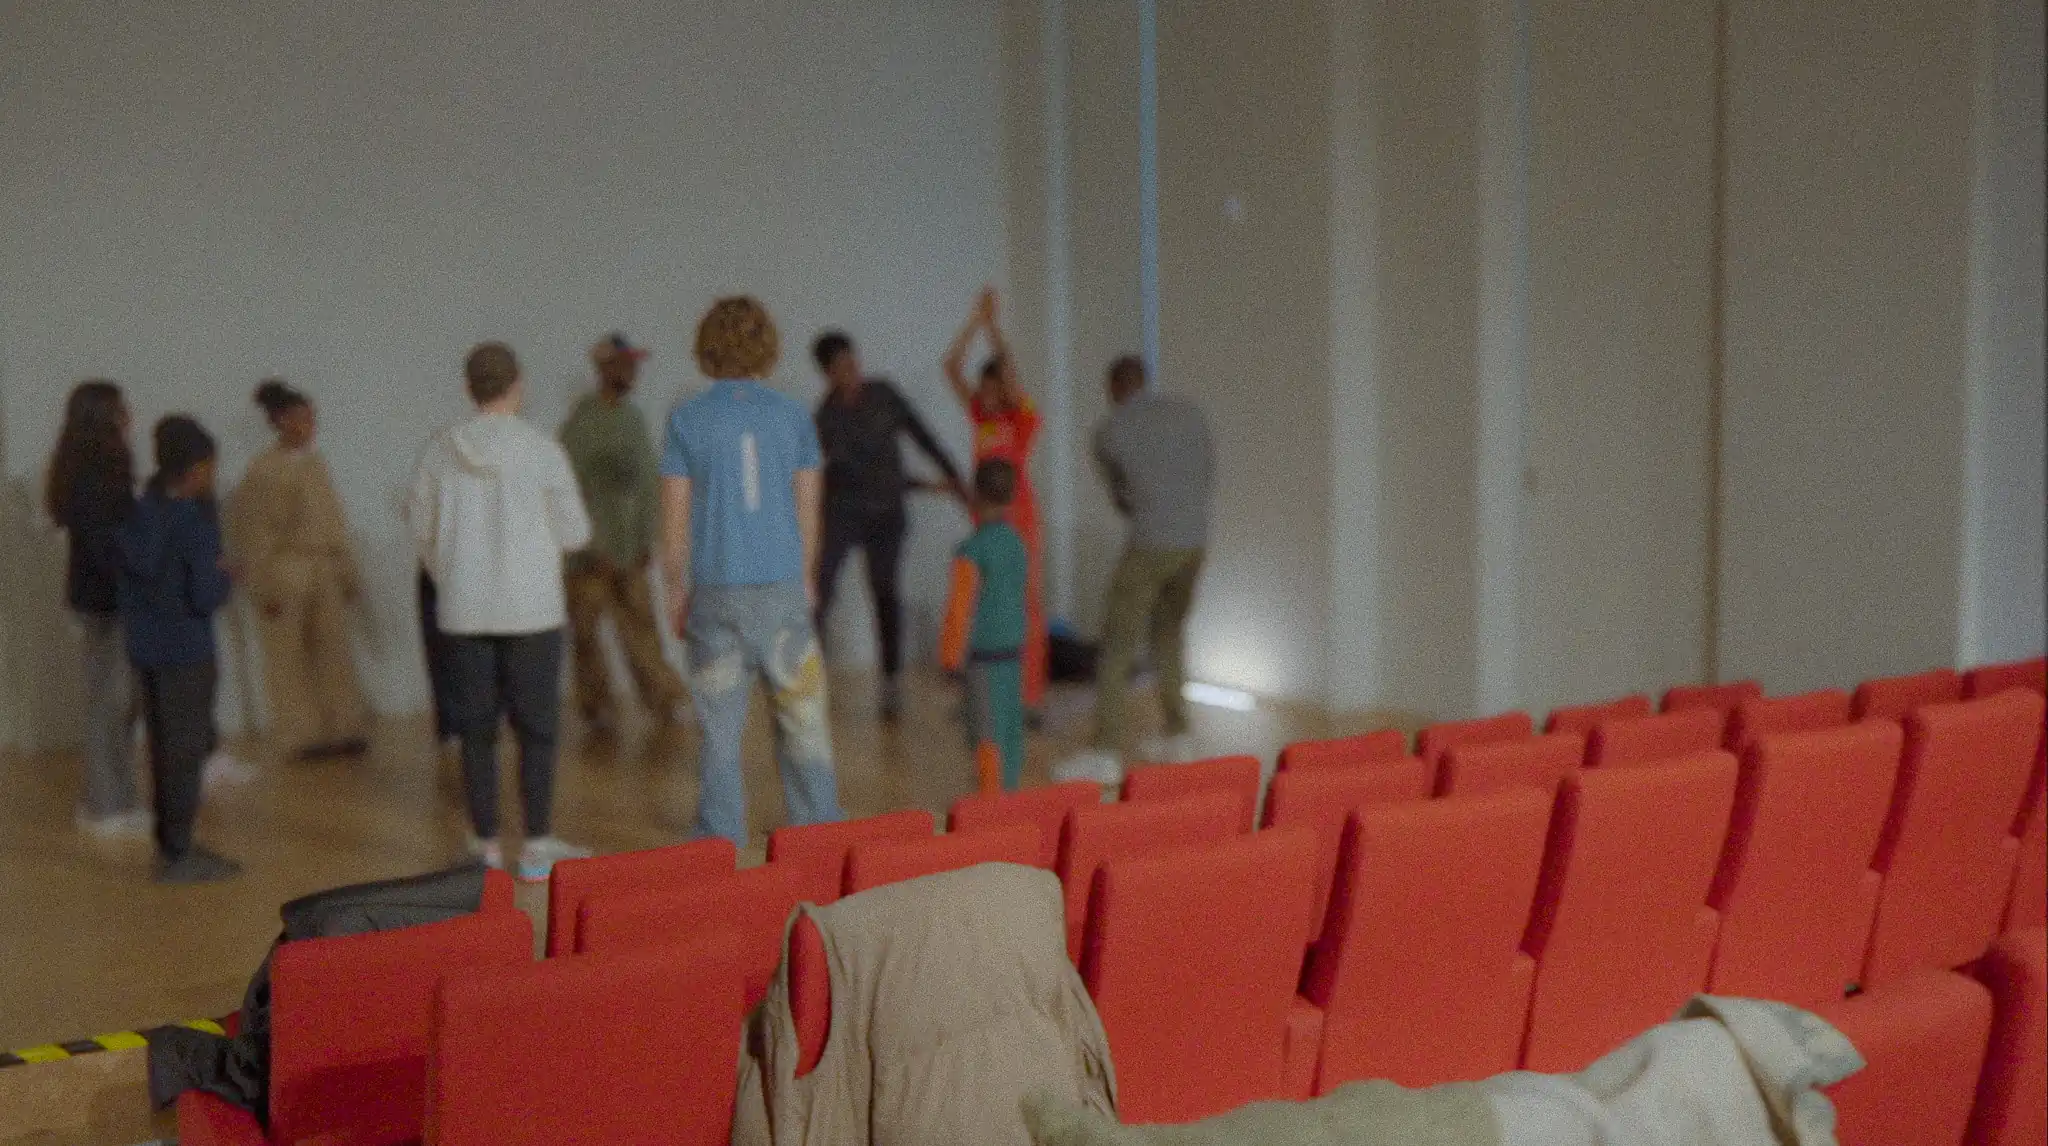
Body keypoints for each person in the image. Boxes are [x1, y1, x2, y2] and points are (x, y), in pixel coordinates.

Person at [661, 296, 843, 848]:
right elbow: (809, 506)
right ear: (767, 346)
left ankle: (720, 839)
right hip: (783, 588)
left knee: (719, 730)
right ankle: (818, 834)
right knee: (803, 724)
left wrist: (675, 591)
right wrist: (807, 575)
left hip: (716, 592)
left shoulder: (685, 420)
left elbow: (673, 522)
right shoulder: (793, 416)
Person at [410, 342, 594, 880]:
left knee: (476, 728)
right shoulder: (541, 449)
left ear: (469, 388)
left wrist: (456, 573)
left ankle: (485, 843)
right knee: (537, 727)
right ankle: (536, 843)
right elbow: (576, 531)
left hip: (465, 609)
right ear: (518, 385)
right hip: (533, 609)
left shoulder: (439, 450)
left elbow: (422, 533)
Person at [1054, 356, 1215, 785]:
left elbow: (1121, 497)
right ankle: (1178, 734)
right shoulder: (1189, 414)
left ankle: (1106, 750)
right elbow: (1205, 473)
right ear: (1145, 380)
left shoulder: (1109, 432)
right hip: (1194, 544)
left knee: (1117, 645)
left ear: (1112, 388)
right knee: (1169, 633)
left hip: (1149, 545)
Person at [811, 329, 969, 720]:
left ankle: (891, 679)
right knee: (820, 591)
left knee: (884, 591)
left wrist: (954, 480)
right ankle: (808, 678)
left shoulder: (883, 395)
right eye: (844, 366)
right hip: (843, 513)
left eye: (855, 361)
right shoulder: (824, 419)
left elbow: (923, 437)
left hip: (887, 514)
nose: (854, 371)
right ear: (829, 373)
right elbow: (822, 476)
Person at [117, 415, 241, 883]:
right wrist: (225, 574)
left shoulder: (140, 510)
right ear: (194, 469)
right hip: (187, 650)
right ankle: (181, 852)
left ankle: (169, 845)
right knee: (186, 752)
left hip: (146, 646)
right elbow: (205, 594)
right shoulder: (194, 523)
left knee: (161, 748)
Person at [230, 380, 370, 761]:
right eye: (300, 418)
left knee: (334, 649)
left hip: (323, 567)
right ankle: (300, 733)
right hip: (286, 571)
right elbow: (254, 533)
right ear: (279, 421)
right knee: (287, 656)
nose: (309, 425)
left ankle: (344, 725)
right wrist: (263, 586)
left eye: (311, 418)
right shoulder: (262, 471)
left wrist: (347, 572)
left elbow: (333, 520)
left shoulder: (314, 464)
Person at [559, 332, 689, 736]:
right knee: (587, 634)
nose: (632, 372)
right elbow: (568, 490)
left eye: (634, 364)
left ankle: (664, 699)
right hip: (588, 558)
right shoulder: (580, 425)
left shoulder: (633, 419)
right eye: (624, 364)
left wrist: (647, 539)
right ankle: (597, 707)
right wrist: (591, 544)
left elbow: (648, 483)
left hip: (629, 552)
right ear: (604, 369)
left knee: (642, 628)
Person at [47, 381, 147, 838]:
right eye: (121, 409)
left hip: (102, 597)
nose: (129, 416)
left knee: (117, 702)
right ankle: (104, 802)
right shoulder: (95, 474)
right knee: (109, 704)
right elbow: (104, 544)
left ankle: (116, 798)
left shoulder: (93, 470)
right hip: (107, 599)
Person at [944, 287, 1048, 714]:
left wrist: (994, 328)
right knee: (980, 603)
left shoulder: (1021, 420)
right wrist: (973, 322)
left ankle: (1029, 698)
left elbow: (1009, 372)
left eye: (992, 388)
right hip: (983, 519)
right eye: (982, 389)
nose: (984, 395)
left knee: (1025, 605)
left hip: (1019, 519)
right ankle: (982, 691)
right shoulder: (980, 416)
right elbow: (950, 366)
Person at [940, 459, 1031, 793]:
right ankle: (1010, 786)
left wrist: (950, 660)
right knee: (1010, 725)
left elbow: (959, 610)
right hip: (1013, 651)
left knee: (986, 730)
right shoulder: (1017, 544)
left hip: (984, 656)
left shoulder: (972, 550)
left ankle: (992, 800)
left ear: (975, 494)